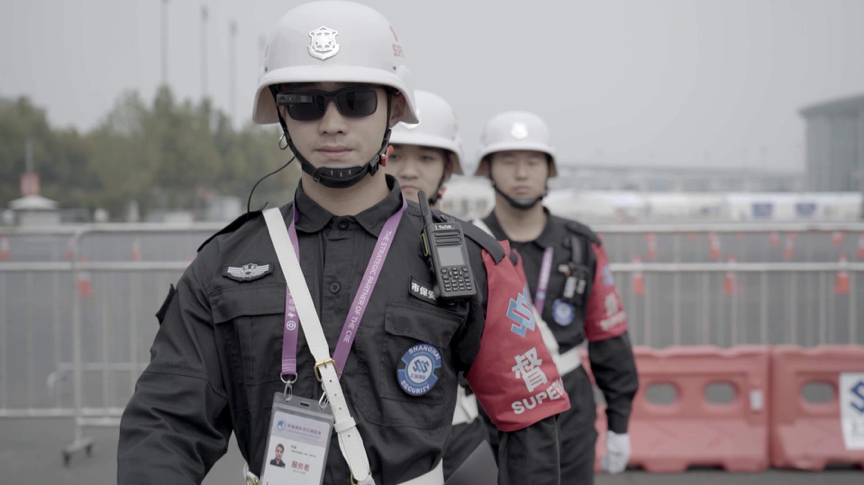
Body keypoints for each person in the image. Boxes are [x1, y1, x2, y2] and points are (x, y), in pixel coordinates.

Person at [117, 3, 568, 485]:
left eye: (356, 101)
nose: (332, 123)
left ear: (396, 108)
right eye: (306, 103)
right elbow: (165, 424)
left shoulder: (473, 262)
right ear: (281, 113)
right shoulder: (224, 265)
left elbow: (528, 418)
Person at [473, 111, 639, 484]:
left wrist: (619, 422)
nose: (521, 173)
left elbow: (608, 337)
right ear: (488, 169)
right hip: (489, 409)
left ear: (550, 170)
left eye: (533, 162)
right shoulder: (468, 245)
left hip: (570, 407)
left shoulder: (581, 245)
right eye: (508, 161)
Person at [384, 91, 489, 480]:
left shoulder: (478, 250)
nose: (409, 171)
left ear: (448, 168)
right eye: (396, 155)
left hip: (457, 429)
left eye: (426, 159)